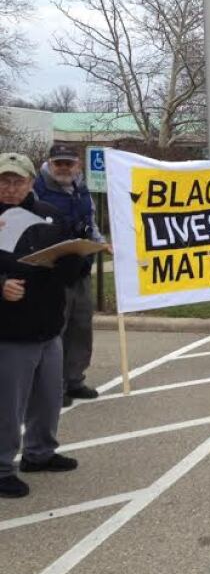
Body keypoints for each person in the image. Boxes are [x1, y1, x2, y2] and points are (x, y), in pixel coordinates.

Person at [0, 152, 83, 499]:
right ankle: (3, 467)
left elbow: (68, 267)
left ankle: (40, 452)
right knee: (8, 404)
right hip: (10, 329)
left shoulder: (50, 215)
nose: (10, 187)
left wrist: (83, 256)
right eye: (4, 180)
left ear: (31, 182)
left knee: (49, 398)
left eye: (17, 180)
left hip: (49, 324)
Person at [33, 143, 108, 406]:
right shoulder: (37, 191)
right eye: (59, 163)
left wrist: (101, 243)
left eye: (69, 163)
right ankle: (55, 386)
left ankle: (75, 379)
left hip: (82, 267)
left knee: (81, 326)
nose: (64, 168)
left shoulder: (82, 189)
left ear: (77, 165)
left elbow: (91, 222)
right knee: (57, 329)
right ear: (50, 164)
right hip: (53, 272)